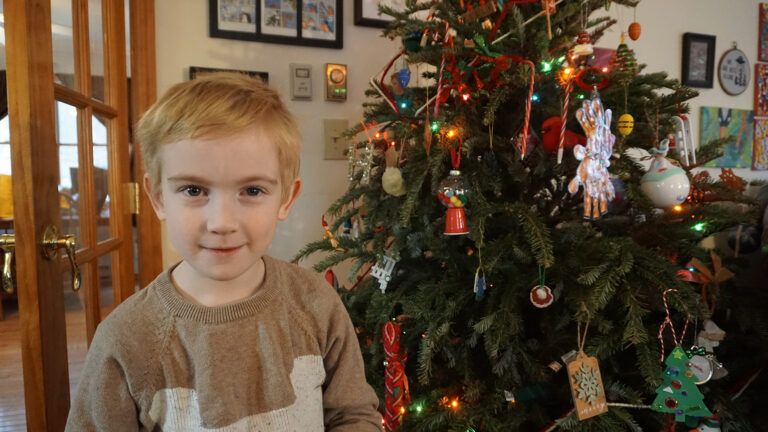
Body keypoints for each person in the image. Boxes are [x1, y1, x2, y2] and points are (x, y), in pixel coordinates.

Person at [65, 72, 382, 431]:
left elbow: (353, 415)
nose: (222, 222)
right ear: (157, 198)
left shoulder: (316, 304)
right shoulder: (126, 338)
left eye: (251, 191)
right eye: (193, 190)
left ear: (286, 198)